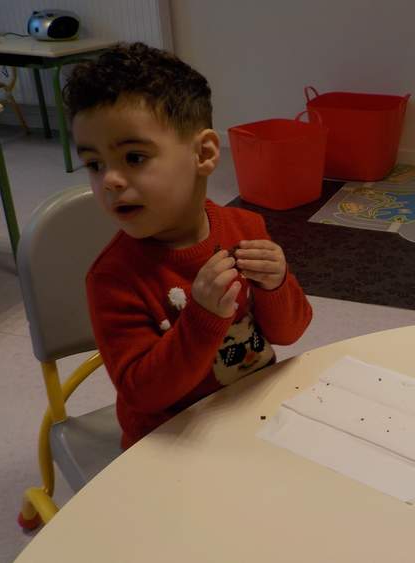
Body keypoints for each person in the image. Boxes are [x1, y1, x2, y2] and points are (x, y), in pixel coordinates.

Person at [64, 42, 312, 449]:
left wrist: (276, 283)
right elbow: (143, 394)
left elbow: (290, 332)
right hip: (171, 442)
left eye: (134, 157)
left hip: (255, 411)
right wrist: (202, 317)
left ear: (204, 153)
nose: (109, 180)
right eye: (94, 164)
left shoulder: (245, 227)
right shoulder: (112, 278)